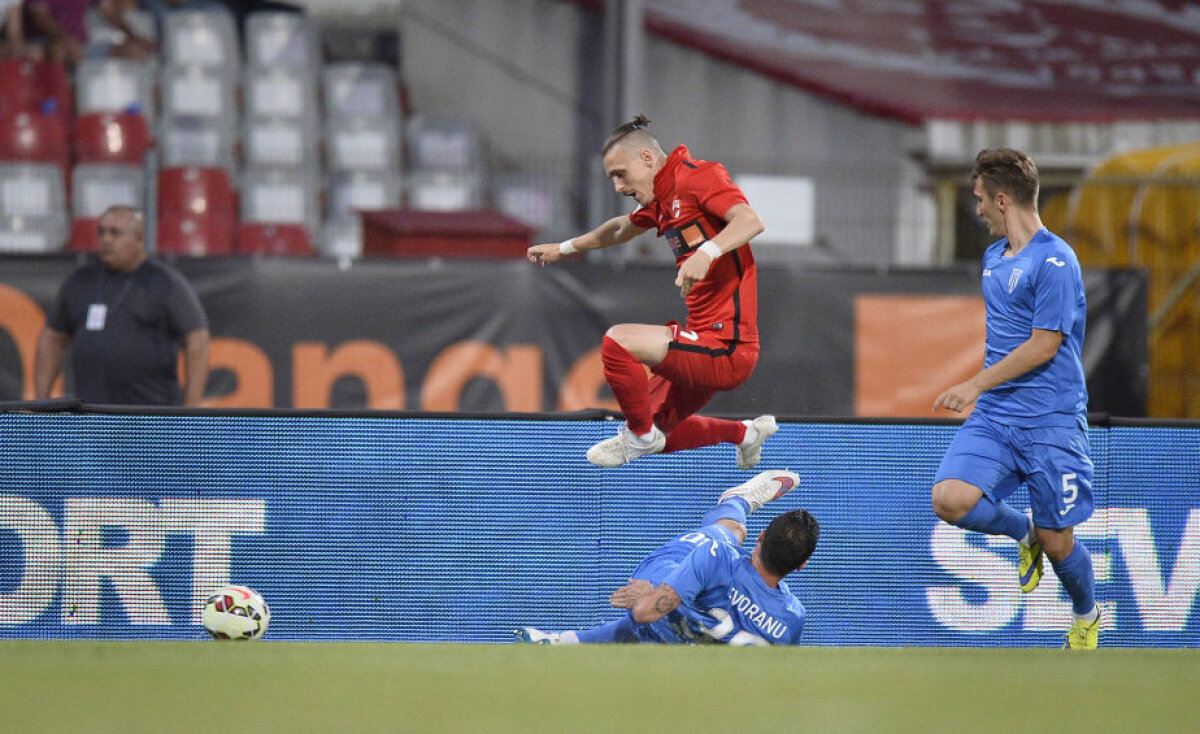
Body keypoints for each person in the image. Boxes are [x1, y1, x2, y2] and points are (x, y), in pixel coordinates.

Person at [527, 115, 776, 470]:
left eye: (620, 174)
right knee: (658, 430)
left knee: (618, 342)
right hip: (704, 344)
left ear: (647, 158)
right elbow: (619, 230)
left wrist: (707, 253)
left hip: (727, 348)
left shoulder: (696, 175)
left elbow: (751, 220)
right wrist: (563, 248)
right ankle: (746, 434)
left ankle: (638, 436)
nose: (616, 186)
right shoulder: (661, 197)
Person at [931, 148, 1099, 650]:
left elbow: (1045, 344)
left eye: (981, 199)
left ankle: (1087, 615)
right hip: (999, 418)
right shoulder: (992, 258)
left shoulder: (1056, 260)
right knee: (950, 499)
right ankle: (1023, 533)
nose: (977, 208)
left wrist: (974, 383)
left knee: (1059, 542)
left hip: (1051, 424)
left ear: (1003, 200)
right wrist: (986, 392)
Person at [515, 469, 817, 646]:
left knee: (726, 533)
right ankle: (742, 498)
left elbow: (645, 611)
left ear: (762, 537)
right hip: (696, 627)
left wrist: (653, 594)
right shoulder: (792, 618)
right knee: (727, 533)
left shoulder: (716, 555)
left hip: (668, 573)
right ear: (802, 565)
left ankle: (737, 501)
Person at [34, 205, 211, 406]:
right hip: (90, 419)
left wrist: (191, 410)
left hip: (150, 419)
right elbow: (52, 338)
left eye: (115, 233)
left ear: (140, 239)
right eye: (101, 232)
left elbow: (197, 340)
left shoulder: (165, 283)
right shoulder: (80, 281)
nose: (106, 240)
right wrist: (41, 401)